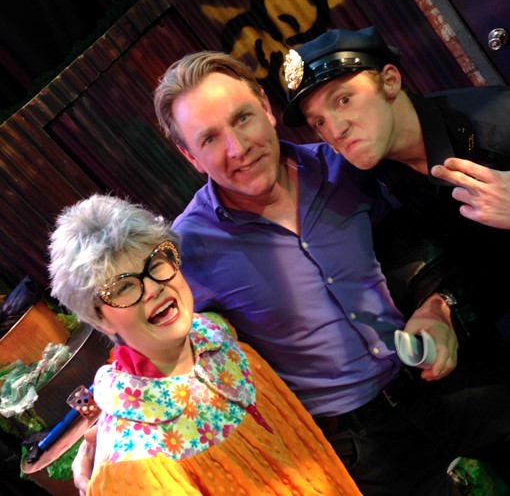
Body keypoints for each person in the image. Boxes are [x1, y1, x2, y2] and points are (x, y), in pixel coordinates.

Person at [73, 50, 510, 496]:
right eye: (210, 139)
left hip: (449, 373)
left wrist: (438, 306)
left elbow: (416, 246)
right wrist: (107, 435)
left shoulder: (346, 167)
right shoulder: (190, 248)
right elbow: (147, 338)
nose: (237, 148)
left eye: (242, 118)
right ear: (190, 157)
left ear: (266, 107)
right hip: (363, 445)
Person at [48, 193, 361, 496]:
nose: (153, 288)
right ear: (100, 319)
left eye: (155, 263)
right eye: (123, 287)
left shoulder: (216, 331)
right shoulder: (134, 461)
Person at [281, 25, 510, 341]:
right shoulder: (381, 168)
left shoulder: (496, 123)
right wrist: (440, 305)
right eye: (319, 122)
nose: (335, 130)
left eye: (344, 99)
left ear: (389, 80)